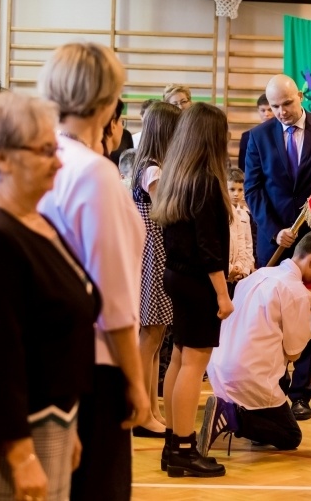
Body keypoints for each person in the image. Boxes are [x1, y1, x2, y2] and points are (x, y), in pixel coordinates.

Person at [0, 91, 100, 500]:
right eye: (45, 150)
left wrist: (68, 423)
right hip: (10, 435)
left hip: (47, 416)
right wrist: (21, 454)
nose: (58, 161)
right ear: (2, 159)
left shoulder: (31, 219)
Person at [37, 42, 149, 501]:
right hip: (96, 361)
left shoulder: (45, 159)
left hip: (53, 354)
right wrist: (138, 384)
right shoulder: (94, 173)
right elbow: (114, 296)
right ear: (106, 102)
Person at [244, 73, 311, 420]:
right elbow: (253, 189)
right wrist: (275, 232)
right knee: (271, 318)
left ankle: (301, 392)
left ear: (300, 96)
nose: (282, 111)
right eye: (274, 106)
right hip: (275, 241)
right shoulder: (257, 137)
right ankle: (273, 389)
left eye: (287, 103)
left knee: (310, 317)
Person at [199, 231, 311, 458]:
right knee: (291, 435)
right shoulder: (297, 292)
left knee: (277, 378)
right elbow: (294, 354)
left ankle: (236, 413)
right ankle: (233, 418)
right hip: (249, 375)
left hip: (217, 367)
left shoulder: (258, 274)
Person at [152, 102, 232, 478]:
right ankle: (185, 448)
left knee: (180, 359)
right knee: (193, 363)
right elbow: (208, 247)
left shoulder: (176, 176)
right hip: (199, 281)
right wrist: (222, 294)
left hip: (176, 275)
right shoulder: (205, 181)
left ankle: (173, 443)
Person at [130, 101, 182, 437]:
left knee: (155, 336)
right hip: (153, 252)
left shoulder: (155, 165)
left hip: (156, 250)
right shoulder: (153, 170)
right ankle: (139, 410)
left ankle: (151, 407)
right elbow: (166, 210)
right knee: (148, 338)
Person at [227, 167, 254, 296]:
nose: (236, 194)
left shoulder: (245, 215)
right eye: (232, 189)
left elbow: (247, 243)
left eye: (240, 190)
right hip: (226, 269)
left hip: (241, 270)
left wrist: (245, 269)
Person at [237, 93, 274, 171]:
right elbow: (242, 166)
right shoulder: (247, 137)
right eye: (263, 110)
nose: (266, 114)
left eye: (270, 110)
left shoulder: (285, 134)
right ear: (258, 111)